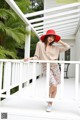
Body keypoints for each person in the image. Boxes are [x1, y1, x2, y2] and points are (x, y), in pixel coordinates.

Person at [24, 29, 70, 112]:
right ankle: (48, 96)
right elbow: (37, 56)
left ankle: (50, 104)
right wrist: (30, 58)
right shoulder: (40, 44)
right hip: (46, 67)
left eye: (53, 38)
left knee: (55, 86)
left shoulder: (56, 47)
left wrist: (59, 41)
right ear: (46, 36)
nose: (51, 39)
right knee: (54, 84)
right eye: (50, 36)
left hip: (55, 67)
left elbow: (68, 47)